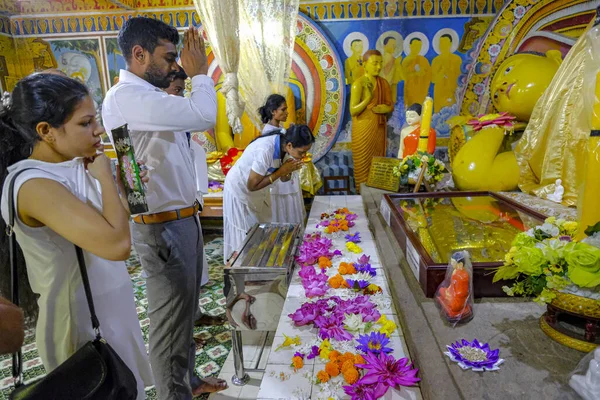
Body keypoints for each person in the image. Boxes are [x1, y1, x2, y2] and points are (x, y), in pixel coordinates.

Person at [0, 73, 153, 398]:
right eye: (86, 123)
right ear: (46, 131)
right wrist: (106, 179)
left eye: (95, 119)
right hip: (79, 320)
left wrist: (124, 186)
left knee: (129, 389)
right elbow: (116, 244)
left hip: (110, 305)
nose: (98, 130)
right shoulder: (33, 184)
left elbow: (112, 222)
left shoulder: (74, 166)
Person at [101, 17, 227, 398]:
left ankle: (187, 382)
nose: (176, 65)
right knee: (169, 324)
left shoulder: (149, 98)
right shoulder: (126, 97)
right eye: (169, 56)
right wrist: (201, 73)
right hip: (160, 227)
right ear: (138, 55)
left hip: (179, 219)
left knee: (184, 316)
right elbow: (205, 115)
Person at [223, 125, 314, 261]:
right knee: (245, 233)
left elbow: (284, 178)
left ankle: (259, 266)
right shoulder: (265, 149)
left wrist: (288, 170)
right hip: (240, 190)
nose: (304, 156)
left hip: (259, 192)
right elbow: (252, 185)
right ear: (289, 145)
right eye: (301, 152)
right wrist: (281, 171)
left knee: (262, 228)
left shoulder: (284, 148)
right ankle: (242, 270)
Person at [350, 50, 393, 192]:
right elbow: (353, 110)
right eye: (375, 63)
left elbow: (390, 105)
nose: (379, 67)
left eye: (380, 63)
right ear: (365, 64)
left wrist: (384, 108)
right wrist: (368, 99)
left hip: (379, 128)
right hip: (362, 129)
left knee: (377, 161)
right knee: (363, 162)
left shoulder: (384, 84)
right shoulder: (359, 84)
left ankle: (377, 194)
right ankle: (361, 195)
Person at [258, 94, 306, 224]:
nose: (287, 112)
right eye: (283, 110)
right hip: (279, 181)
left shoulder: (280, 129)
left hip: (287, 176)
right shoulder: (268, 133)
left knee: (291, 207)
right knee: (283, 212)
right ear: (273, 112)